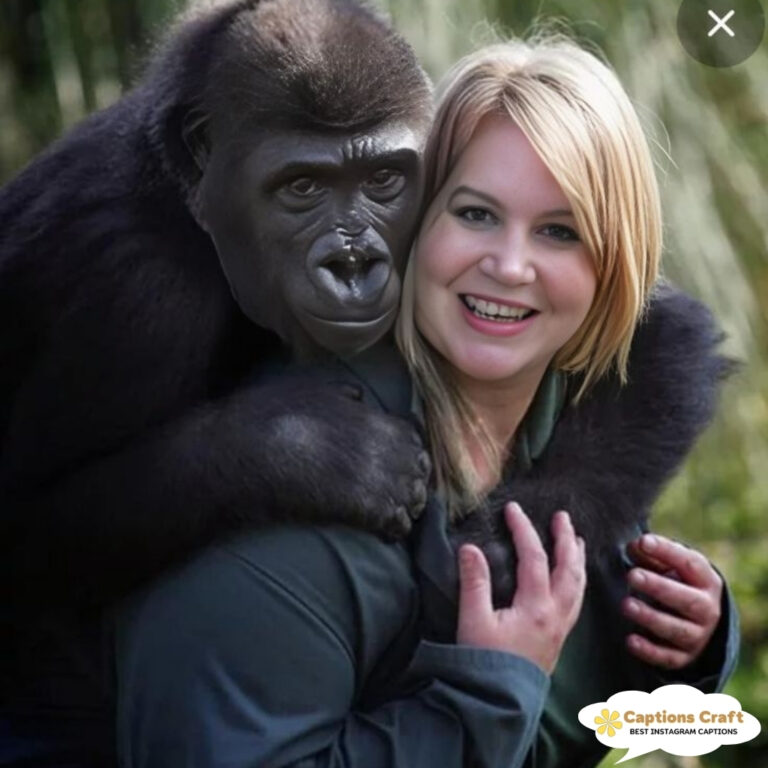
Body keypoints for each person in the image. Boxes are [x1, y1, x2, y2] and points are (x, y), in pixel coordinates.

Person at [116, 35, 738, 768]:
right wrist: (482, 698)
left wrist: (679, 645)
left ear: (613, 266)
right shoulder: (291, 498)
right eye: (475, 214)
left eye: (560, 231)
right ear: (409, 224)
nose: (509, 266)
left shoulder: (569, 429)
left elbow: (562, 714)